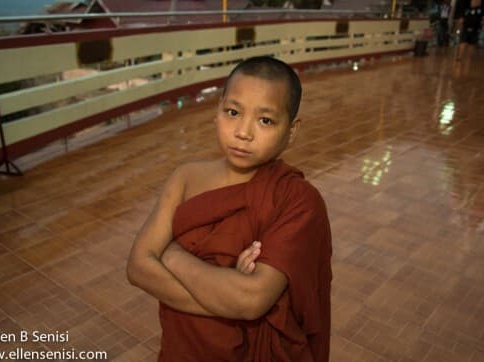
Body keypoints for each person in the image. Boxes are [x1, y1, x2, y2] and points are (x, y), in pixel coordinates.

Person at [127, 56, 332, 361]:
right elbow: (138, 268)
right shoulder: (185, 178)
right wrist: (223, 297)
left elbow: (251, 299)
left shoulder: (296, 199)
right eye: (233, 112)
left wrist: (170, 255)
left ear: (291, 130)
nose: (243, 132)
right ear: (217, 111)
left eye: (265, 120)